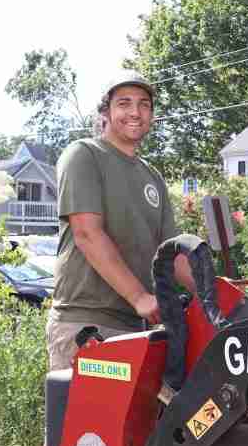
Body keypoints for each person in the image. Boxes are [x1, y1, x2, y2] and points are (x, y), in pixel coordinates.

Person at [45, 71, 195, 372]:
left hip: (136, 328)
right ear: (106, 112)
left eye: (144, 104)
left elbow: (172, 254)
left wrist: (216, 293)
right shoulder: (84, 155)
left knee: (147, 420)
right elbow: (87, 233)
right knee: (91, 420)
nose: (135, 112)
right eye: (124, 103)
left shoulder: (152, 177)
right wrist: (139, 297)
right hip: (86, 325)